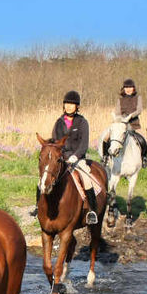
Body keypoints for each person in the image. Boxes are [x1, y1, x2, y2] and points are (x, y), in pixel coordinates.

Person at [51, 90, 99, 224]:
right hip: (62, 158)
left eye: (72, 104)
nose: (69, 106)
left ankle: (92, 211)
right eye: (67, 103)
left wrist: (75, 156)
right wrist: (62, 156)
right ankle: (39, 207)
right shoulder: (59, 122)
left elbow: (84, 144)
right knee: (45, 177)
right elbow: (55, 141)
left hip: (78, 159)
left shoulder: (82, 122)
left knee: (86, 178)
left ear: (77, 106)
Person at [113, 78, 147, 167]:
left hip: (134, 125)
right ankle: (106, 157)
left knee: (145, 141)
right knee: (108, 138)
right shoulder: (120, 100)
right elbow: (117, 112)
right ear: (123, 89)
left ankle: (144, 158)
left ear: (133, 88)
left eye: (130, 87)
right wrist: (121, 118)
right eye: (126, 87)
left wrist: (130, 116)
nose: (128, 89)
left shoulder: (138, 98)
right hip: (122, 125)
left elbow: (139, 110)